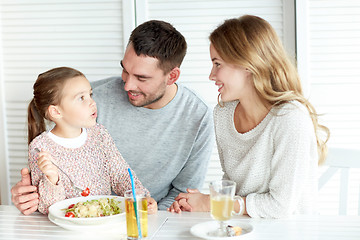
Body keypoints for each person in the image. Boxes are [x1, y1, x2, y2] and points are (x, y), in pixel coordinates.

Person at [11, 20, 215, 214]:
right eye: (125, 71)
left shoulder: (198, 116)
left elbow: (182, 195)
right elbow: (50, 181)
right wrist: (32, 194)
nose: (127, 85)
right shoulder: (93, 98)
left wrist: (144, 215)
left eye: (141, 78)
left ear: (172, 76)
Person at [168, 15, 330, 218]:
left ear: (247, 64)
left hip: (290, 231)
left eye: (218, 64)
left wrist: (212, 203)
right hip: (246, 227)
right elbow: (234, 188)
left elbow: (280, 206)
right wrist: (195, 202)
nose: (211, 75)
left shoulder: (290, 118)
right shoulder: (223, 113)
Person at [26, 66, 157, 214]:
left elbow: (120, 174)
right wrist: (52, 180)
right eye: (81, 98)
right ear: (56, 111)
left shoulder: (99, 134)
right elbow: (47, 208)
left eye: (90, 94)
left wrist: (139, 197)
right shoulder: (40, 148)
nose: (92, 103)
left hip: (103, 221)